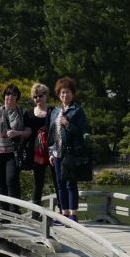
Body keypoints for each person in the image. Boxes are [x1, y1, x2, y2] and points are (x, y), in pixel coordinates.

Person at [48, 76, 91, 220]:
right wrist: (50, 152)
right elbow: (51, 133)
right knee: (60, 184)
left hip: (70, 152)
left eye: (67, 92)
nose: (65, 95)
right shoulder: (54, 111)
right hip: (57, 152)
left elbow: (82, 131)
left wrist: (67, 124)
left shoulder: (77, 110)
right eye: (62, 93)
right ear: (59, 95)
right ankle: (64, 214)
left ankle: (73, 215)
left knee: (70, 184)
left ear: (72, 94)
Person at [0, 84, 32, 200]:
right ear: (4, 96)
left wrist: (17, 133)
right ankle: (4, 215)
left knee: (12, 180)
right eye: (8, 94)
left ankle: (14, 212)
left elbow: (29, 131)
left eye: (14, 94)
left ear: (17, 97)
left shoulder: (22, 112)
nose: (10, 97)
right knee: (1, 184)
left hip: (14, 152)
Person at [24, 82, 54, 208]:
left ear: (46, 95)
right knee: (38, 183)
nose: (38, 99)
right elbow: (27, 132)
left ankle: (63, 212)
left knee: (58, 181)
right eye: (35, 97)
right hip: (36, 153)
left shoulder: (53, 111)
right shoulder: (29, 113)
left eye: (40, 96)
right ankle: (35, 213)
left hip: (52, 150)